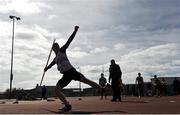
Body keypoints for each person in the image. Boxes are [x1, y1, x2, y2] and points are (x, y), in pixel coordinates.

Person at [44, 26, 101, 112]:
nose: (56, 48)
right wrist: (46, 68)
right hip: (66, 75)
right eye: (54, 48)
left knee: (86, 81)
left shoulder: (62, 50)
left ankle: (102, 89)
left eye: (56, 47)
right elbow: (50, 65)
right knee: (56, 90)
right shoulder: (55, 59)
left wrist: (75, 31)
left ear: (58, 47)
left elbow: (69, 41)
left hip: (71, 71)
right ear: (52, 49)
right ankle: (67, 105)